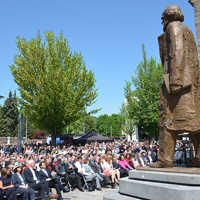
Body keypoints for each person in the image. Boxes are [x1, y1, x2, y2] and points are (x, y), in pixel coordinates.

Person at [151, 5, 200, 168]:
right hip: (190, 83)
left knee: (167, 120)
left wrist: (175, 82)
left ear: (166, 18)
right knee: (195, 123)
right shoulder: (187, 30)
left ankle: (165, 159)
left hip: (178, 84)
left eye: (162, 18)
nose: (161, 22)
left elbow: (176, 53)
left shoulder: (174, 27)